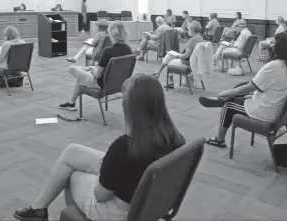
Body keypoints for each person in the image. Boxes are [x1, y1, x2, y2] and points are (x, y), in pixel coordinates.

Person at [13, 73, 185, 221]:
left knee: (72, 174)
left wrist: (105, 171)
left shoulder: (124, 147)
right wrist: (110, 166)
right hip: (146, 199)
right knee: (72, 151)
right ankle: (39, 208)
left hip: (119, 213)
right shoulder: (175, 139)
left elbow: (100, 195)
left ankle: (54, 212)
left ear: (130, 108)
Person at [198, 33, 287, 148]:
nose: (269, 46)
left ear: (277, 47)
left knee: (229, 106)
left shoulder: (274, 66)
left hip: (267, 112)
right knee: (243, 86)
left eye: (272, 43)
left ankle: (219, 139)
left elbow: (250, 87)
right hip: (279, 108)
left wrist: (226, 92)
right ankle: (221, 100)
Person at [59, 21, 132, 111]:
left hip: (102, 83)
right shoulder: (128, 49)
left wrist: (93, 70)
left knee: (72, 68)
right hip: (119, 83)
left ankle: (71, 103)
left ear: (111, 34)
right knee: (82, 76)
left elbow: (97, 75)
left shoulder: (107, 51)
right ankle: (71, 103)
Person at [153, 21, 204, 87]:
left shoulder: (192, 41)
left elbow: (185, 56)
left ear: (192, 30)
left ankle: (169, 82)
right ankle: (158, 72)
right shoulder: (201, 38)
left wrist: (178, 55)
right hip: (196, 62)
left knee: (170, 60)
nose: (187, 31)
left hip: (187, 62)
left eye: (188, 29)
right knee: (170, 55)